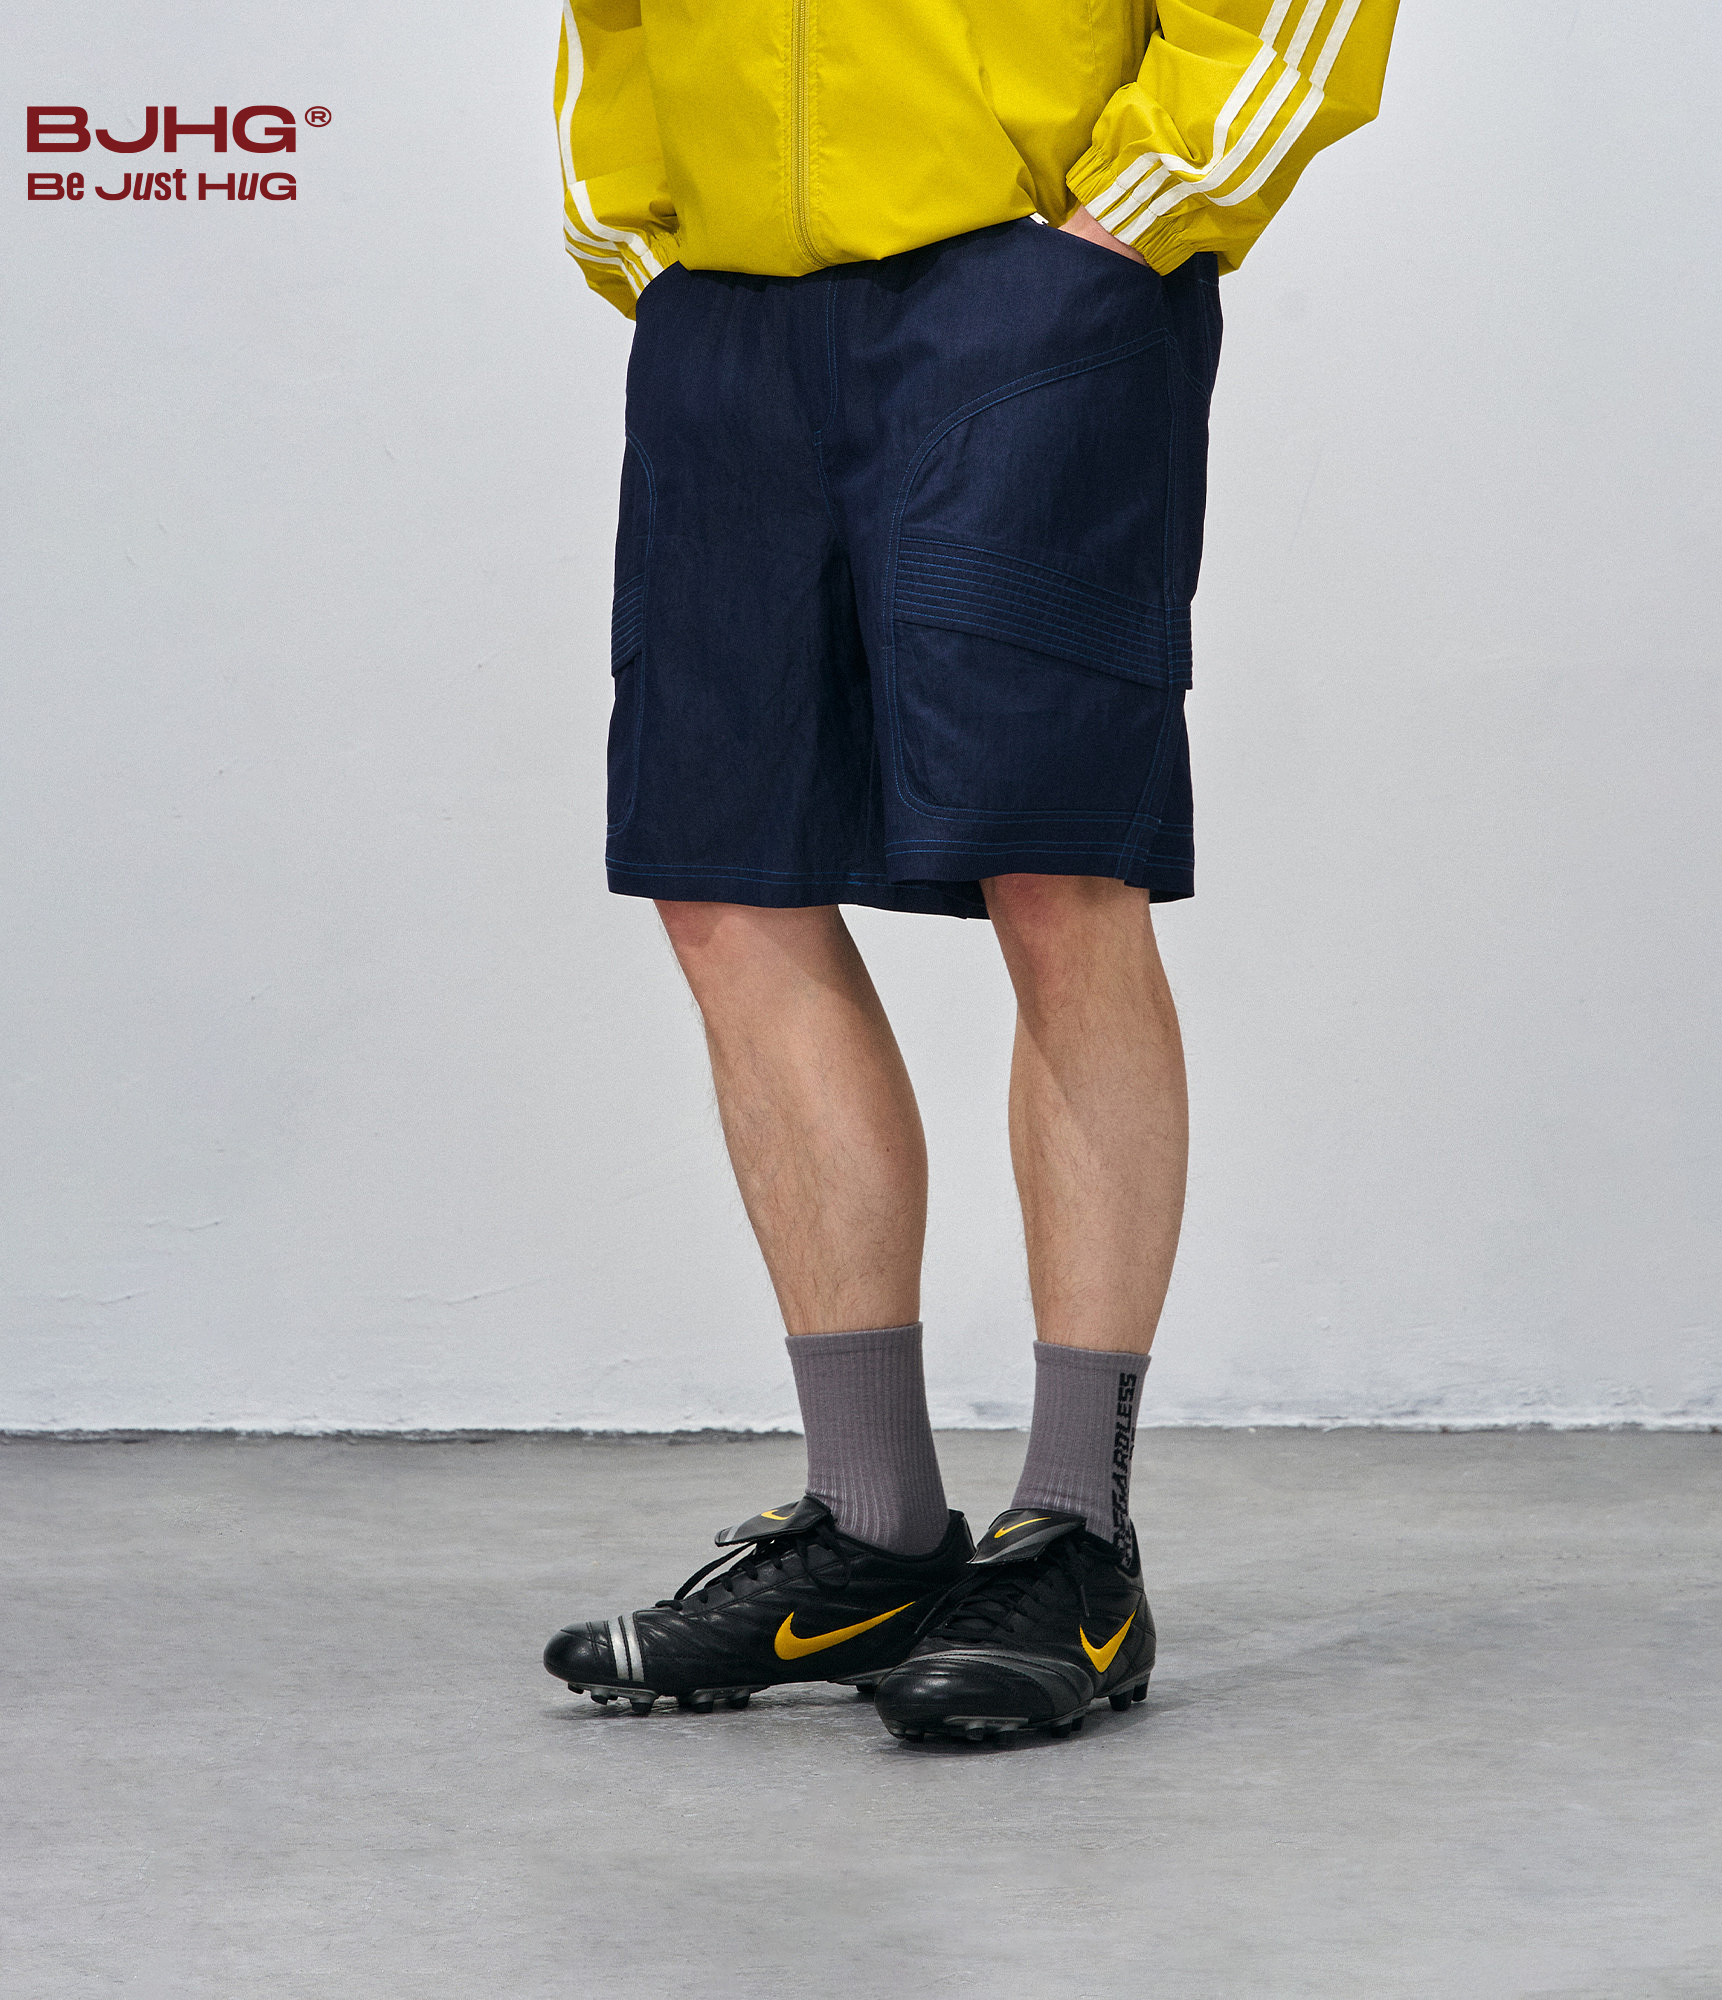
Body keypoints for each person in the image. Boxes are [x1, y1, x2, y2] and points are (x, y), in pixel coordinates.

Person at [542, 0, 1398, 1743]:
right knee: (726, 879)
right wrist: (641, 228)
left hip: (1029, 290)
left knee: (1055, 868)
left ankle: (1075, 1541)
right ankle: (868, 1526)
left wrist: (1128, 220)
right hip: (728, 318)